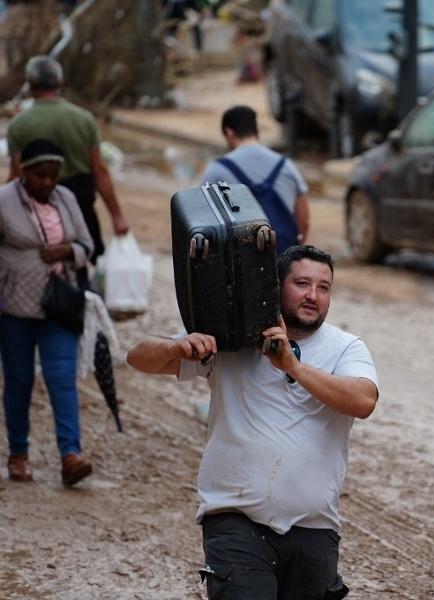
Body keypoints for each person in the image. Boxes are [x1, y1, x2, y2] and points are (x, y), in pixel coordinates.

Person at [127, 244, 379, 599]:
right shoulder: (231, 337)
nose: (313, 296)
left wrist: (292, 366)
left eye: (324, 288)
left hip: (315, 526)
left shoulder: (346, 347)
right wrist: (177, 348)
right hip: (235, 520)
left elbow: (364, 401)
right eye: (302, 284)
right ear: (275, 287)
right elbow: (137, 358)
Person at [0, 138, 94, 485]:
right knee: (19, 382)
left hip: (58, 305)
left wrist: (68, 251)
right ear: (24, 172)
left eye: (53, 175)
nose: (47, 182)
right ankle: (18, 454)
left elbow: (88, 245)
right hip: (14, 308)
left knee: (61, 379)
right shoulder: (4, 200)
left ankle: (71, 455)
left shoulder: (66, 199)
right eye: (40, 175)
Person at [6, 55, 129, 267]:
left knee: (45, 266)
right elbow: (100, 172)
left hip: (39, 212)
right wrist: (117, 216)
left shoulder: (19, 126)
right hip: (81, 204)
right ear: (60, 83)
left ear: (30, 86)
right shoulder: (83, 119)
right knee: (83, 258)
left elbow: (16, 176)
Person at [201, 104, 310, 253]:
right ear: (257, 132)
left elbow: (205, 224)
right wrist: (295, 251)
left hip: (242, 261)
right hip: (284, 255)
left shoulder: (217, 170)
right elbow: (303, 220)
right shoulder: (285, 165)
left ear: (229, 133)